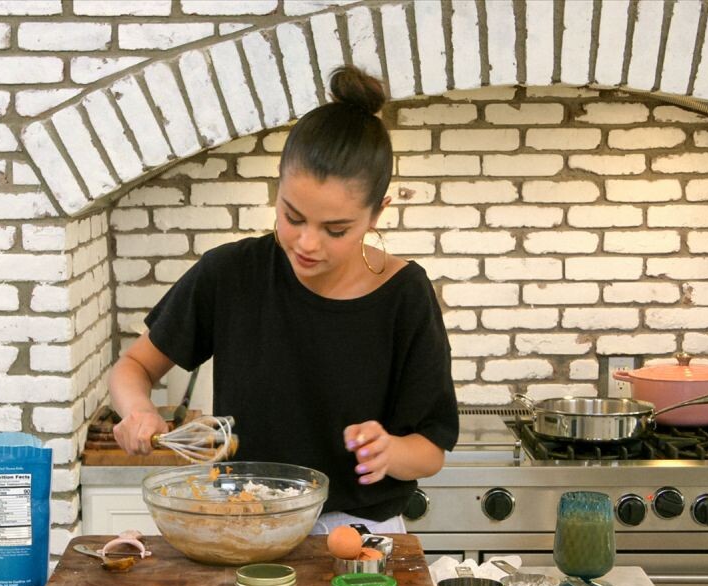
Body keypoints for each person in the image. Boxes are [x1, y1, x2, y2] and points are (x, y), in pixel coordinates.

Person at [108, 65, 458, 533]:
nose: (307, 244)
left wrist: (391, 451)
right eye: (293, 217)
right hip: (243, 522)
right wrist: (138, 411)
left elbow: (430, 450)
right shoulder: (231, 273)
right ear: (278, 188)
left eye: (336, 229)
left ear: (377, 213)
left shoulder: (405, 296)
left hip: (358, 534)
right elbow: (134, 366)